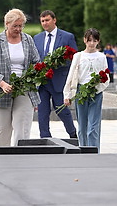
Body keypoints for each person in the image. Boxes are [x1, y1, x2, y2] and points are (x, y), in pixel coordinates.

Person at [0, 8, 40, 146]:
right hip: (1, 91)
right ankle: (0, 158)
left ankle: (20, 157)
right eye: (15, 26)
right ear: (7, 24)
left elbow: (37, 62)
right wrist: (1, 83)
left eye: (21, 26)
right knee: (2, 129)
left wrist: (31, 78)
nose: (18, 29)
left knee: (22, 128)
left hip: (24, 89)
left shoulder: (28, 40)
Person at [33, 10, 78, 139]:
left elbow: (74, 59)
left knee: (62, 110)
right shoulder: (37, 38)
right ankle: (45, 137)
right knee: (42, 111)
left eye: (47, 20)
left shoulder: (67, 37)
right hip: (42, 82)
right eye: (42, 21)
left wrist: (58, 63)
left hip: (59, 80)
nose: (45, 23)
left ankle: (73, 134)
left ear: (54, 20)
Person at [63, 28, 109, 152]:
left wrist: (97, 87)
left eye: (94, 40)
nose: (91, 43)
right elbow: (71, 75)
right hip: (80, 92)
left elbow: (106, 77)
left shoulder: (101, 57)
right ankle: (83, 150)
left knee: (93, 126)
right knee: (82, 126)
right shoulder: (78, 56)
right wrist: (67, 94)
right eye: (89, 40)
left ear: (98, 41)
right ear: (84, 40)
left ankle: (94, 150)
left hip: (96, 92)